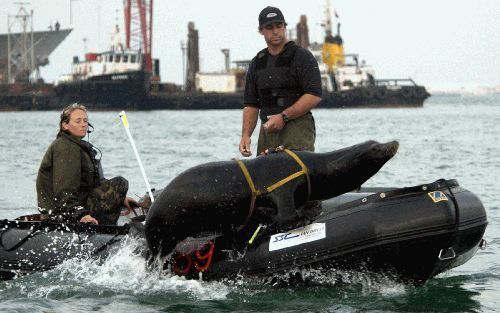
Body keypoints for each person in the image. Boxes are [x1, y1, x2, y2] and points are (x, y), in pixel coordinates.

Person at [239, 6, 322, 157]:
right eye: (269, 27)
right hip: (268, 132)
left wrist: (284, 117)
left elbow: (314, 95)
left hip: (297, 129)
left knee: (296, 177)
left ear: (285, 27)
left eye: (279, 26)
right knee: (265, 179)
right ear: (261, 31)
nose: (275, 31)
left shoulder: (302, 57)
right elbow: (251, 104)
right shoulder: (257, 63)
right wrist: (246, 135)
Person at [36, 103, 136, 225]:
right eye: (78, 121)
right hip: (61, 214)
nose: (83, 124)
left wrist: (118, 198)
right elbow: (64, 190)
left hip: (75, 205)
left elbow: (93, 184)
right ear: (65, 125)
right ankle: (105, 230)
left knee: (117, 187)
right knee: (120, 183)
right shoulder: (65, 147)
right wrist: (80, 214)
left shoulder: (77, 147)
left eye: (85, 121)